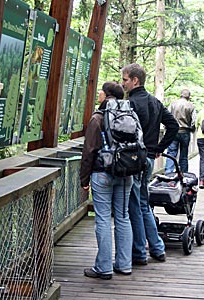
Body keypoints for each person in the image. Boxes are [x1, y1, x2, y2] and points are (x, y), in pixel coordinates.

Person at [121, 63, 179, 265]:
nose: (123, 84)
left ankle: (138, 252)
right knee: (143, 203)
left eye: (125, 79)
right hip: (148, 159)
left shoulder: (130, 104)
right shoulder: (155, 102)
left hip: (134, 159)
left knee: (134, 205)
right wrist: (159, 148)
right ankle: (157, 248)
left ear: (135, 80)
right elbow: (173, 125)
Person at [80, 81, 133, 280]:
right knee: (123, 217)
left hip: (102, 173)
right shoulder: (129, 114)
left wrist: (84, 179)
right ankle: (124, 264)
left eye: (101, 92)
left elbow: (89, 151)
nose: (99, 95)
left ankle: (103, 268)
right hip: (126, 172)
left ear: (106, 95)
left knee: (102, 218)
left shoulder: (99, 117)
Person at [165, 89, 196, 174]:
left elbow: (167, 116)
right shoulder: (191, 106)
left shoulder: (173, 104)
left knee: (171, 152)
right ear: (188, 97)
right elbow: (193, 121)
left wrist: (167, 128)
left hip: (173, 132)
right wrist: (191, 129)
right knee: (184, 154)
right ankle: (183, 173)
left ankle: (168, 172)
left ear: (180, 95)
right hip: (185, 132)